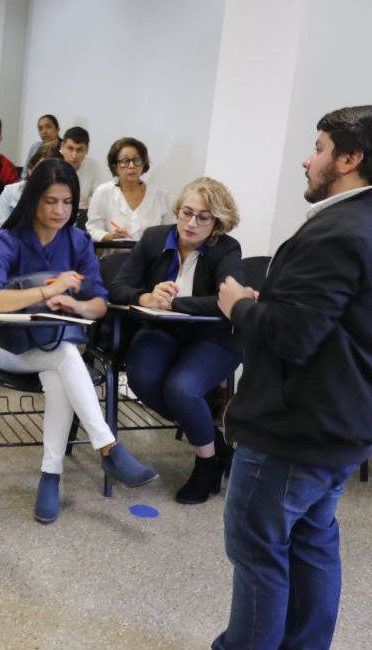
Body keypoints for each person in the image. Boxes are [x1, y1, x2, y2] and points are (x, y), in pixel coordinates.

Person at [213, 105, 372, 649]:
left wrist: (239, 305)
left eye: (321, 148)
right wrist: (273, 304)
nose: (308, 161)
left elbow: (290, 338)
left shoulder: (337, 231)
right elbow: (329, 324)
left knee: (259, 552)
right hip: (344, 430)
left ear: (351, 159)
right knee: (312, 543)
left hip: (296, 431)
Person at [0, 158, 159, 524]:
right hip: (3, 345)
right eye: (49, 201)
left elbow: (99, 306)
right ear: (32, 200)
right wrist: (48, 289)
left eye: (66, 202)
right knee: (64, 358)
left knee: (61, 369)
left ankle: (51, 475)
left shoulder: (77, 240)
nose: (59, 210)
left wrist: (74, 302)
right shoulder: (8, 239)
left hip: (53, 347)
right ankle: (107, 448)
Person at [108, 177, 242, 503]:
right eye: (186, 212)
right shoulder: (155, 238)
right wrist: (145, 297)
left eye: (203, 217)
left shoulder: (226, 247)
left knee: (182, 388)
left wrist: (174, 303)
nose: (191, 223)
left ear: (218, 222)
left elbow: (225, 301)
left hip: (215, 335)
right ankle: (215, 442)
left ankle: (207, 462)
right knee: (141, 377)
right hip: (163, 330)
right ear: (177, 210)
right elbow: (118, 286)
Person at [85, 137, 173, 241]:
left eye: (137, 160)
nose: (131, 166)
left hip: (150, 256)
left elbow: (171, 233)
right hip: (115, 255)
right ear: (114, 166)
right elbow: (92, 229)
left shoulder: (161, 196)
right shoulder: (103, 192)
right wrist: (109, 236)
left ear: (144, 164)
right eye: (125, 161)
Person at [0, 142, 63, 232]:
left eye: (52, 172)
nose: (46, 176)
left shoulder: (64, 196)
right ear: (30, 170)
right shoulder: (11, 191)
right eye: (41, 170)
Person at [59, 126, 107, 209]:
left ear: (87, 149)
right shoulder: (51, 162)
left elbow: (102, 198)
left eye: (79, 150)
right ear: (62, 146)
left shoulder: (93, 166)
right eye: (70, 149)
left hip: (80, 213)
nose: (74, 156)